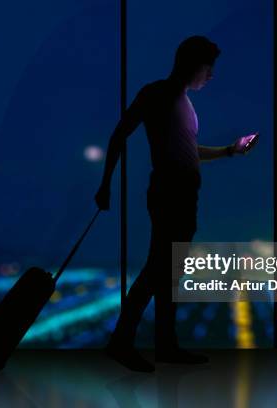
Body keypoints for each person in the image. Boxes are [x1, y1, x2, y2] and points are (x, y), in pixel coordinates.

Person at [95, 35, 259, 372]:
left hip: (183, 195)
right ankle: (122, 343)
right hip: (171, 194)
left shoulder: (184, 102)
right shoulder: (157, 93)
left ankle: (164, 345)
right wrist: (105, 184)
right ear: (194, 65)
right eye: (208, 68)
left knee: (168, 272)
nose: (211, 76)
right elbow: (120, 133)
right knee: (159, 269)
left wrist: (229, 151)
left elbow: (189, 153)